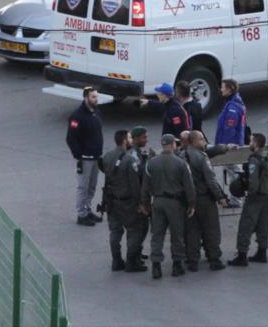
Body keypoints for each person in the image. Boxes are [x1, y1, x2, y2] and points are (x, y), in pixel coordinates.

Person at [141, 134, 197, 279]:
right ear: (173, 144)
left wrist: (145, 203)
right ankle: (177, 265)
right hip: (175, 203)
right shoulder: (181, 163)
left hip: (157, 202)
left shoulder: (151, 163)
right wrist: (192, 203)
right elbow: (189, 186)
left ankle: (156, 267)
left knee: (157, 235)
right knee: (177, 235)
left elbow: (145, 186)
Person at [101, 129, 146, 272]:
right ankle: (132, 262)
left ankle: (116, 260)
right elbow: (135, 185)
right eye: (129, 138)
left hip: (111, 201)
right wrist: (140, 203)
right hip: (127, 202)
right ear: (125, 141)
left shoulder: (107, 156)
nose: (131, 140)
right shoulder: (129, 159)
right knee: (134, 230)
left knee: (115, 231)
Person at [184, 131, 228, 271]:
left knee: (192, 232)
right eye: (202, 139)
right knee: (211, 230)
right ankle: (214, 259)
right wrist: (220, 197)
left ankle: (192, 262)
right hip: (204, 200)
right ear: (194, 141)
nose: (204, 142)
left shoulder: (180, 156)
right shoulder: (201, 157)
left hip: (188, 201)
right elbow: (210, 180)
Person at [228, 133, 268, 266]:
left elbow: (253, 182)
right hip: (265, 196)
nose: (249, 143)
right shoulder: (266, 156)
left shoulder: (254, 159)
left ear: (255, 143)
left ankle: (242, 256)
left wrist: (250, 193)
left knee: (245, 225)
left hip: (255, 196)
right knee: (262, 225)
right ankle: (262, 252)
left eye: (250, 141)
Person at [66, 86, 104, 226]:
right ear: (85, 98)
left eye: (96, 96)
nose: (96, 99)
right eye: (93, 97)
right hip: (85, 158)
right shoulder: (77, 116)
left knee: (92, 186)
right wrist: (79, 156)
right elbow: (71, 138)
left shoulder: (96, 112)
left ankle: (88, 210)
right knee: (83, 187)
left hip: (95, 157)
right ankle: (81, 215)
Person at [215, 79, 246, 146]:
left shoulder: (232, 108)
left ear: (229, 89)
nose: (221, 89)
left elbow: (229, 130)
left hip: (229, 146)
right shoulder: (233, 103)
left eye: (223, 87)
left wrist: (225, 147)